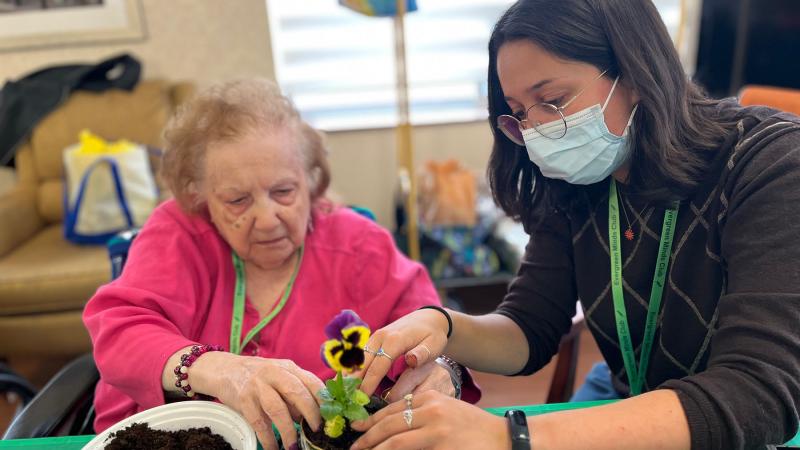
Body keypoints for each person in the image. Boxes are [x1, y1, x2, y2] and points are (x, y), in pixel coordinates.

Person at [352, 0, 800, 449]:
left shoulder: (770, 165)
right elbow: (529, 327)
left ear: (636, 71)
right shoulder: (578, 181)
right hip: (637, 405)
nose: (536, 131)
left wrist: (512, 435)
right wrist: (445, 326)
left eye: (552, 100)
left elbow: (757, 394)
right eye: (520, 113)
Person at [82, 79, 478, 450]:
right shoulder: (178, 233)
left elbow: (432, 332)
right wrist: (219, 369)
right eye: (237, 200)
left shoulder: (361, 246)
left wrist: (444, 371)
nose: (268, 218)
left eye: (284, 191)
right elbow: (119, 333)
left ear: (311, 179)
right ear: (199, 195)